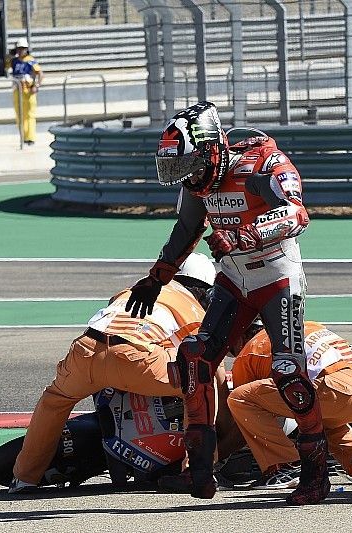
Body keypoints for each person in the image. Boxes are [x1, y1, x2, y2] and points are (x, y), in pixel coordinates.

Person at [125, 101, 329, 505]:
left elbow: (297, 214)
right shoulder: (199, 183)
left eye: (193, 164)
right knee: (195, 359)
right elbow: (187, 227)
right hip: (234, 279)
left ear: (212, 149)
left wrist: (242, 237)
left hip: (277, 277)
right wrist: (156, 278)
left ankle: (316, 474)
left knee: (288, 371)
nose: (189, 176)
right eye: (182, 168)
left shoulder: (261, 162)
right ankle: (199, 472)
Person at [9, 253, 217, 493]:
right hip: (137, 357)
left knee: (54, 401)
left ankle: (24, 478)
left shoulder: (134, 289)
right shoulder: (193, 307)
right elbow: (202, 354)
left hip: (86, 349)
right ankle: (196, 470)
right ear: (204, 290)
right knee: (201, 384)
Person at [227, 320, 352, 488]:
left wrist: (216, 458)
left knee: (239, 398)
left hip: (336, 388)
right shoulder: (307, 325)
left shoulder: (250, 351)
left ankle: (284, 467)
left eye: (230, 348)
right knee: (317, 412)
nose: (232, 353)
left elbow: (244, 419)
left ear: (238, 336)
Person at [6, 37, 42, 145]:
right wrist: (10, 55)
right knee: (19, 115)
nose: (21, 51)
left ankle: (30, 137)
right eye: (19, 48)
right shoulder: (14, 61)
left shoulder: (31, 60)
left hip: (29, 90)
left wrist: (37, 85)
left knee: (30, 114)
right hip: (18, 90)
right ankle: (23, 136)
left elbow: (40, 74)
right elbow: (5, 65)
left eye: (23, 48)